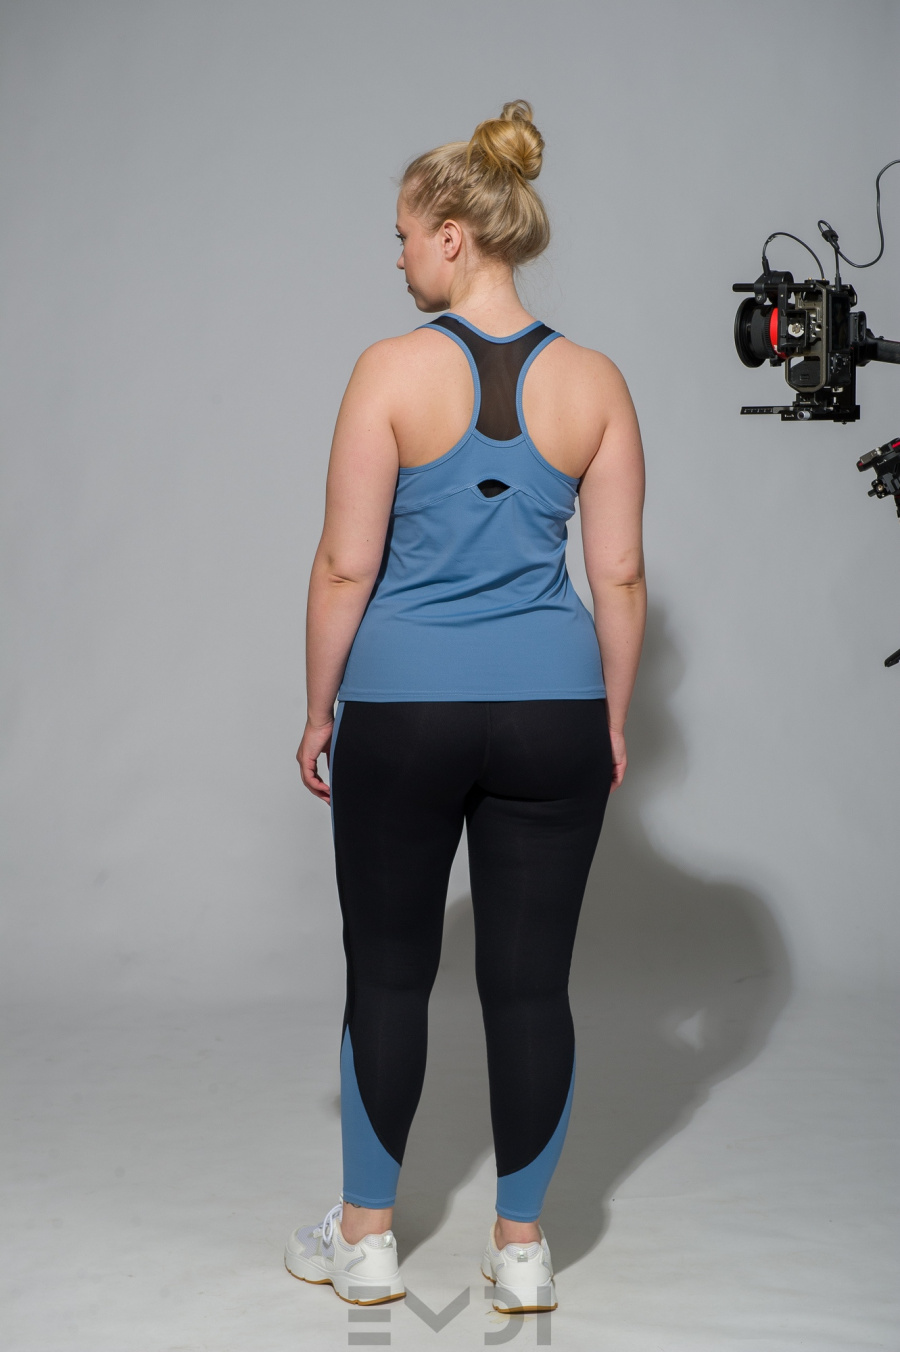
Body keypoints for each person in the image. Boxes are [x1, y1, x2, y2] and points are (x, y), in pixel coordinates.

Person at [284, 99, 646, 1315]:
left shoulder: (389, 371)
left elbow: (345, 565)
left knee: (388, 975)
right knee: (531, 986)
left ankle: (366, 1241)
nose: (394, 257)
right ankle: (524, 1249)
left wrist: (320, 708)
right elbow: (618, 576)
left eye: (402, 234)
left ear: (452, 235)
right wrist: (610, 717)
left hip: (405, 711)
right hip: (554, 710)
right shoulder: (595, 382)